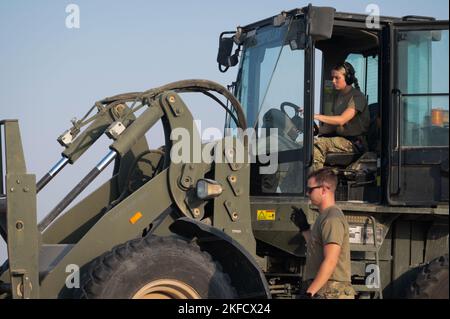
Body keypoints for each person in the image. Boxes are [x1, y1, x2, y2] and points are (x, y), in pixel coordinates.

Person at [291, 168, 355, 299]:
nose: (307, 193)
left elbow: (331, 260)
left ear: (324, 190)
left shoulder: (332, 218)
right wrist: (304, 228)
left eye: (310, 190)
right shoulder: (324, 217)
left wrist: (310, 292)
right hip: (324, 290)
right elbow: (316, 247)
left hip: (331, 292)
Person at [313, 62, 370, 171]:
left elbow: (341, 120)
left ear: (348, 78)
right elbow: (332, 127)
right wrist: (317, 130)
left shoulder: (357, 97)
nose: (333, 81)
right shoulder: (338, 97)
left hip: (355, 143)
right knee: (303, 144)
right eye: (332, 77)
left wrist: (315, 116)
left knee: (316, 145)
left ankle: (318, 183)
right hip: (341, 140)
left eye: (337, 78)